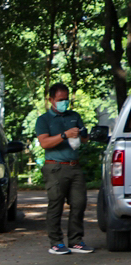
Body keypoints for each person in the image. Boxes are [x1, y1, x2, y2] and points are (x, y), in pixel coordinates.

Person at [35, 83, 93, 255]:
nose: (64, 102)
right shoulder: (43, 120)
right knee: (56, 204)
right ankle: (56, 242)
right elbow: (44, 143)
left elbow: (84, 139)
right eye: (60, 100)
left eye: (66, 99)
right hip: (55, 167)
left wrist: (83, 136)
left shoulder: (74, 116)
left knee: (79, 203)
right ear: (51, 100)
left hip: (74, 166)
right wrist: (64, 135)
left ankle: (76, 240)